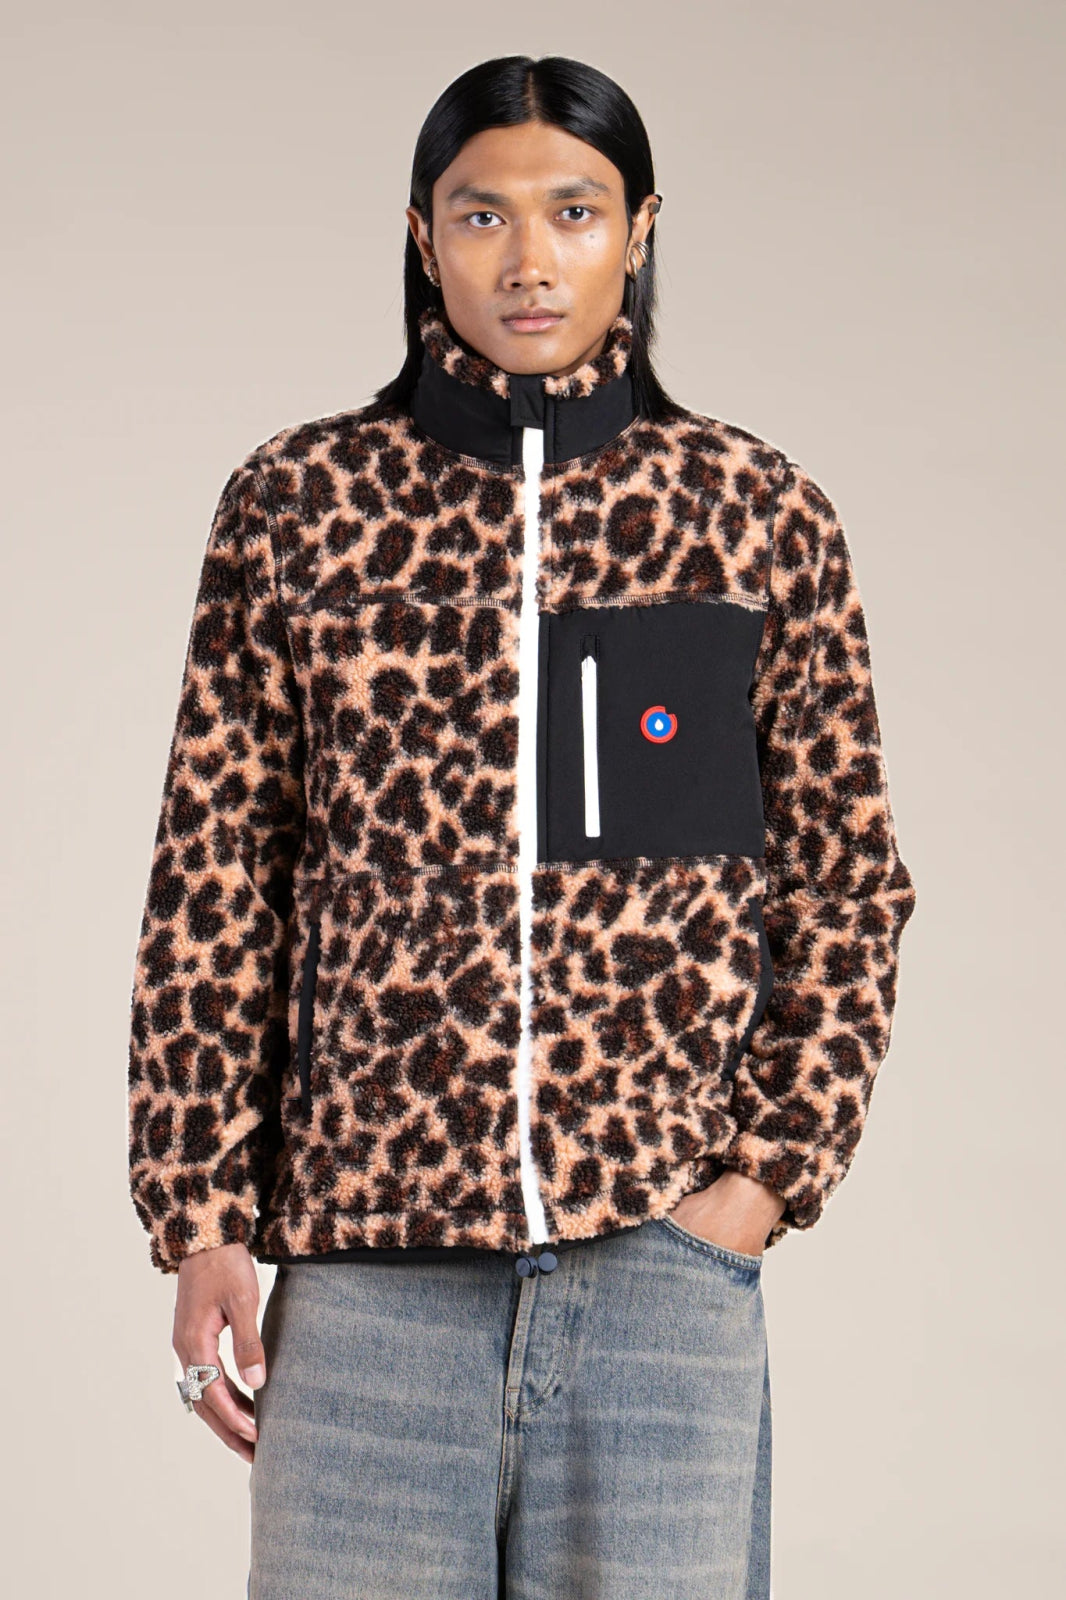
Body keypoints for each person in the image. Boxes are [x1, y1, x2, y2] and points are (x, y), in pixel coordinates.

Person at [127, 53, 917, 1600]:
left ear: (639, 230)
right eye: (481, 214)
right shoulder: (297, 506)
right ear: (421, 236)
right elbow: (217, 880)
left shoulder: (756, 515)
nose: (529, 258)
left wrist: (754, 1186)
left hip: (658, 1278)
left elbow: (844, 888)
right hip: (367, 1282)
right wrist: (202, 1215)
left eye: (574, 210)